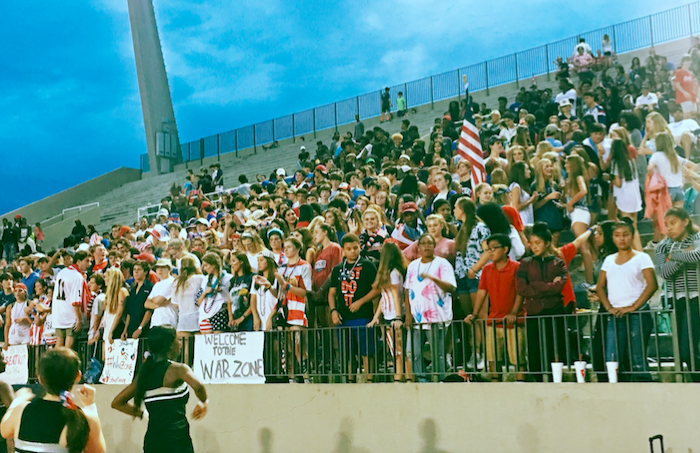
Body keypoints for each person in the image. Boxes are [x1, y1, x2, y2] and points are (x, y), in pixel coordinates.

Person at [111, 326, 208, 453]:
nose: (180, 343)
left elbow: (117, 403)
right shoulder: (179, 370)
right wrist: (203, 402)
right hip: (177, 440)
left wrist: (141, 413)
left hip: (153, 441)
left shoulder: (144, 374)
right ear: (169, 345)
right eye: (178, 340)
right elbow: (199, 386)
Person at [0, 348, 106, 453]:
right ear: (77, 376)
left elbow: (4, 431)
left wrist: (17, 400)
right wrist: (89, 406)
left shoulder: (20, 410)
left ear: (40, 378)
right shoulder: (85, 418)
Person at [597, 221, 657, 380]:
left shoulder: (642, 257)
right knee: (612, 357)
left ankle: (644, 391)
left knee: (637, 357)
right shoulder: (609, 260)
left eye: (625, 235)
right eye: (617, 235)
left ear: (631, 236)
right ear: (613, 238)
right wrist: (609, 307)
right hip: (615, 315)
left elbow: (652, 285)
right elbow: (600, 286)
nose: (621, 239)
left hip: (638, 314)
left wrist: (634, 306)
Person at [465, 234, 526, 381]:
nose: (490, 252)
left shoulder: (516, 267)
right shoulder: (486, 270)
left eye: (494, 248)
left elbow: (520, 292)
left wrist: (514, 312)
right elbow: (481, 292)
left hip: (514, 321)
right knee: (492, 358)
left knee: (518, 359)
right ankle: (495, 386)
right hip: (493, 320)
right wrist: (474, 313)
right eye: (488, 249)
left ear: (505, 249)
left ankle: (521, 385)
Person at [516, 223, 568, 381]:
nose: (534, 247)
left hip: (555, 310)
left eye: (538, 243)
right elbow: (522, 289)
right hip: (534, 310)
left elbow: (560, 286)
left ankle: (555, 379)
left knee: (555, 347)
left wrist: (537, 286)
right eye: (532, 244)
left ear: (547, 243)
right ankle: (537, 381)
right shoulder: (525, 263)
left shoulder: (558, 263)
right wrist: (548, 286)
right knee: (534, 349)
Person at [404, 233, 456, 381]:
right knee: (413, 352)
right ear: (418, 247)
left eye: (430, 243)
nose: (427, 246)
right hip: (417, 317)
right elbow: (407, 290)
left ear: (434, 246)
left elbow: (451, 287)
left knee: (438, 353)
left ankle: (440, 379)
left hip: (437, 317)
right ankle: (422, 379)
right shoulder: (413, 265)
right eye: (424, 243)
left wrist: (433, 278)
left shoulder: (443, 263)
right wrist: (408, 314)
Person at [655, 208, 700, 380]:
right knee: (681, 350)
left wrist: (673, 256)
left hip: (696, 297)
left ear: (685, 221)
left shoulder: (696, 238)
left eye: (673, 223)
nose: (669, 228)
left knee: (689, 346)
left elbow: (698, 254)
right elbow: (664, 272)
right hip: (676, 298)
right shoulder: (663, 246)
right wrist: (681, 255)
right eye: (666, 225)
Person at [328, 234, 379, 381]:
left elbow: (377, 289)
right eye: (349, 249)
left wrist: (361, 301)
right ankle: (350, 380)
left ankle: (369, 379)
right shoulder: (338, 269)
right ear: (343, 250)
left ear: (360, 247)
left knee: (366, 350)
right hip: (343, 316)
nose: (352, 251)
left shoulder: (367, 265)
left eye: (355, 248)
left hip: (362, 314)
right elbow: (332, 293)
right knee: (347, 352)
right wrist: (333, 310)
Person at [367, 241, 409, 381]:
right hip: (388, 314)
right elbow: (384, 297)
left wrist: (398, 317)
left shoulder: (394, 273)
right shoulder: (391, 273)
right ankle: (401, 376)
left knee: (398, 350)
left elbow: (396, 296)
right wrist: (376, 317)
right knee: (395, 349)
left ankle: (400, 377)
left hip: (394, 315)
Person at [52, 250, 91, 349]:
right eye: (87, 261)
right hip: (70, 313)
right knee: (68, 346)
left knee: (59, 343)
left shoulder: (62, 272)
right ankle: (65, 364)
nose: (89, 264)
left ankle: (55, 363)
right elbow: (76, 300)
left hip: (58, 312)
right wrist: (78, 318)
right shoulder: (77, 276)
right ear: (78, 261)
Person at [196, 253, 232, 334]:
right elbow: (198, 301)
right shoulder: (205, 279)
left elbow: (231, 296)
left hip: (220, 312)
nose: (204, 269)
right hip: (205, 313)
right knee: (206, 341)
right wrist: (205, 292)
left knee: (218, 341)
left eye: (206, 265)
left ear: (214, 265)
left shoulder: (228, 278)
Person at [122, 260, 154, 340]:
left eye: (139, 269)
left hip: (144, 330)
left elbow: (149, 311)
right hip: (131, 330)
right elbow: (129, 312)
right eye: (134, 269)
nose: (136, 272)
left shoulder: (150, 287)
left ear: (145, 271)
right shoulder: (132, 290)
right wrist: (125, 329)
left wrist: (140, 328)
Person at [144, 258, 178, 328]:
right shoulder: (157, 285)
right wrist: (157, 305)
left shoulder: (172, 282)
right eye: (158, 267)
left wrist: (153, 300)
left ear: (169, 269)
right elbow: (146, 304)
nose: (160, 270)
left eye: (163, 267)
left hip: (168, 321)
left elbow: (158, 300)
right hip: (155, 321)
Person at [4, 283, 31, 347]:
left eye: (20, 290)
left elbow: (34, 321)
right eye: (16, 291)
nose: (18, 293)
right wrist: (6, 341)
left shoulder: (29, 304)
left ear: (25, 292)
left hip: (26, 333)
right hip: (14, 334)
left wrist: (25, 319)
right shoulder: (10, 306)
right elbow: (7, 324)